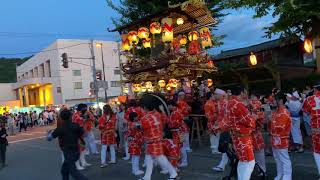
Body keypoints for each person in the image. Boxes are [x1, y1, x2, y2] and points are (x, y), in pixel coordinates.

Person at [216, 86, 256, 180]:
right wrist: (254, 117)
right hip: (243, 138)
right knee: (249, 162)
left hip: (235, 136)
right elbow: (250, 122)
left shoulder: (229, 103)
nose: (246, 94)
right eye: (245, 92)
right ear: (242, 92)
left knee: (242, 161)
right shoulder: (238, 105)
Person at [139, 94, 178, 180]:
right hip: (158, 139)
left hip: (152, 141)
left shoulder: (144, 119)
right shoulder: (157, 114)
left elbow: (142, 129)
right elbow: (164, 120)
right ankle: (147, 177)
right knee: (149, 159)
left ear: (145, 107)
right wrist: (162, 110)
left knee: (161, 159)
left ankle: (173, 174)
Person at [47, 109, 88, 180]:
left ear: (61, 118)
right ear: (70, 116)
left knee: (73, 172)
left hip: (68, 153)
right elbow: (85, 134)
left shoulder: (60, 128)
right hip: (76, 151)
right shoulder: (75, 125)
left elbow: (49, 138)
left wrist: (49, 133)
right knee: (64, 171)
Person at [269, 94, 292, 180]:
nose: (273, 101)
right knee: (277, 158)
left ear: (281, 101)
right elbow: (271, 126)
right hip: (275, 139)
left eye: (275, 100)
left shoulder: (285, 112)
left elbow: (280, 127)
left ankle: (287, 176)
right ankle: (280, 174)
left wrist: (271, 121)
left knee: (284, 159)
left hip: (282, 139)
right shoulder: (275, 112)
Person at [302, 81, 320, 179]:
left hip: (317, 129)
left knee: (317, 151)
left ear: (315, 89)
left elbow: (305, 111)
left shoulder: (310, 99)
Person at [212, 88, 229, 172]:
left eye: (216, 94)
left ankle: (222, 165)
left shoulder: (225, 103)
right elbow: (220, 116)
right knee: (226, 146)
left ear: (221, 95)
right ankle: (223, 164)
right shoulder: (219, 103)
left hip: (226, 127)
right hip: (223, 127)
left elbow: (226, 117)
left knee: (225, 145)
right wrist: (216, 123)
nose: (214, 95)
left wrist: (219, 125)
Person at [249, 94, 266, 174]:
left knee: (259, 152)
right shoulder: (248, 104)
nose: (252, 99)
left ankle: (262, 170)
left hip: (256, 132)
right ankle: (258, 170)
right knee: (253, 153)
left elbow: (260, 116)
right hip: (249, 134)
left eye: (253, 97)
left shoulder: (257, 103)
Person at [72, 104, 92, 170]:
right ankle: (77, 165)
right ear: (82, 108)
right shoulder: (76, 115)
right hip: (76, 135)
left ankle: (83, 162)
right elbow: (79, 122)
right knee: (78, 150)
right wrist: (85, 118)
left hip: (82, 134)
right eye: (85, 108)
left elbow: (85, 121)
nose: (86, 109)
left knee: (83, 149)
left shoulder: (82, 114)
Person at [127, 112, 144, 176]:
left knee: (134, 156)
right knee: (136, 156)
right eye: (136, 116)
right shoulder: (135, 124)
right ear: (134, 117)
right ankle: (136, 170)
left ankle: (134, 170)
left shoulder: (130, 123)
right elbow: (141, 127)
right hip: (136, 142)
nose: (137, 117)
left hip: (132, 141)